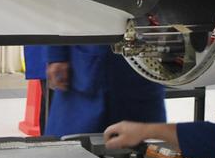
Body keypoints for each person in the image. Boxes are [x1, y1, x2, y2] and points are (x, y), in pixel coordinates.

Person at [24, 44, 166, 137]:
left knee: (146, 155)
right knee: (71, 154)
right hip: (85, 67)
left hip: (142, 64)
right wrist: (56, 54)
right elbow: (61, 1)